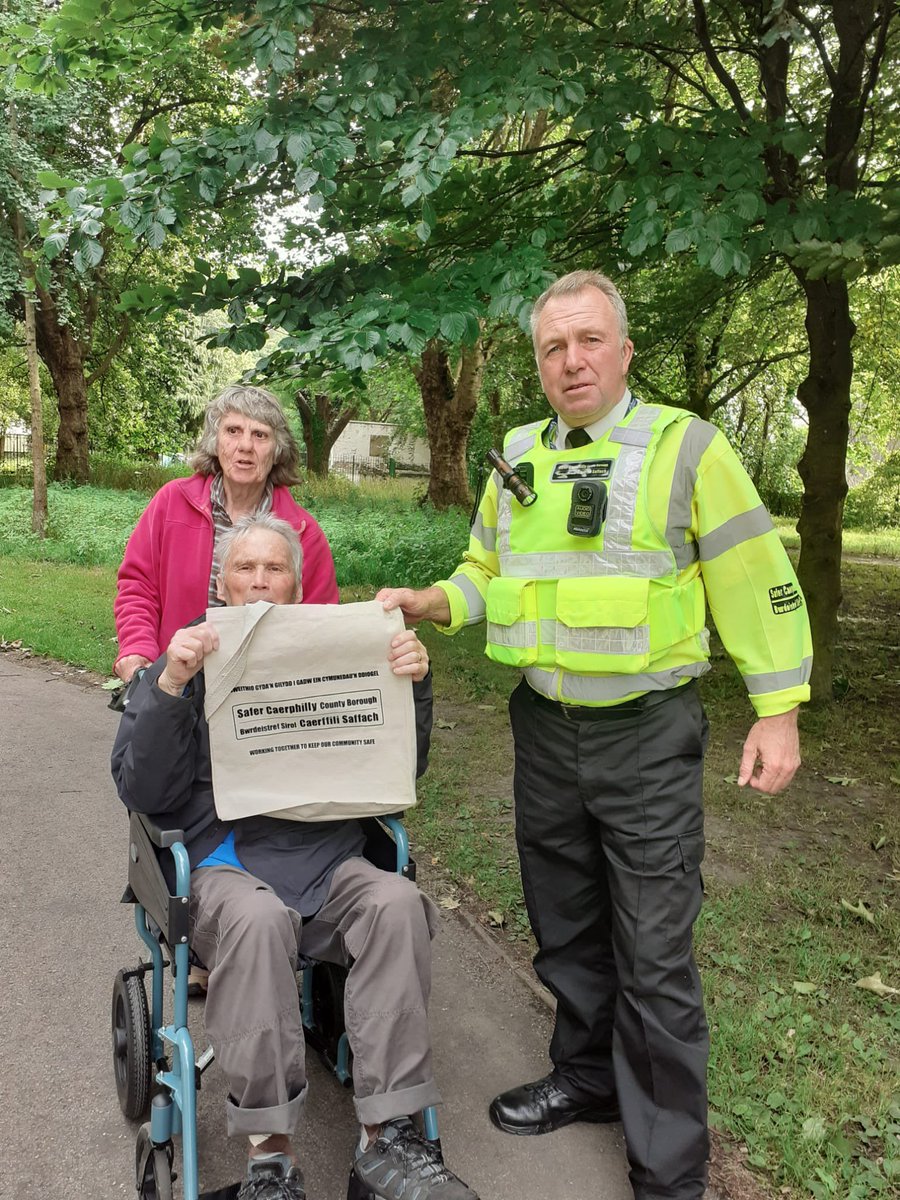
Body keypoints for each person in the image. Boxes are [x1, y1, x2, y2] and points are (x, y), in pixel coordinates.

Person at [377, 270, 812, 1200]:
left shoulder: (685, 449)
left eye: (588, 342)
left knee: (653, 951)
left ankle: (669, 1172)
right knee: (567, 925)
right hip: (543, 730)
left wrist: (780, 707)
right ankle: (585, 1079)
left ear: (624, 352)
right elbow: (487, 569)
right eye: (552, 347)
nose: (571, 361)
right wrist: (433, 600)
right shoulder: (516, 454)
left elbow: (754, 575)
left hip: (647, 734)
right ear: (537, 364)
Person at [112, 514, 478, 1200]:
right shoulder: (188, 656)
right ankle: (269, 1155)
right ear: (221, 583)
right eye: (245, 568)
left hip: (324, 854)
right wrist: (167, 687)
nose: (259, 581)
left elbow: (399, 766)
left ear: (298, 584)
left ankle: (387, 1142)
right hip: (225, 860)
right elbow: (141, 788)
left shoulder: (335, 649)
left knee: (397, 903)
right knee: (255, 923)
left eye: (274, 569)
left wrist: (413, 683)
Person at [113, 384, 338, 685]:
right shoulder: (171, 504)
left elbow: (320, 629)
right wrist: (137, 651)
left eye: (260, 435)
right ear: (214, 441)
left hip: (262, 695)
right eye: (233, 431)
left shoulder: (303, 532)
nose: (245, 446)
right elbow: (138, 587)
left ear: (277, 450)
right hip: (176, 682)